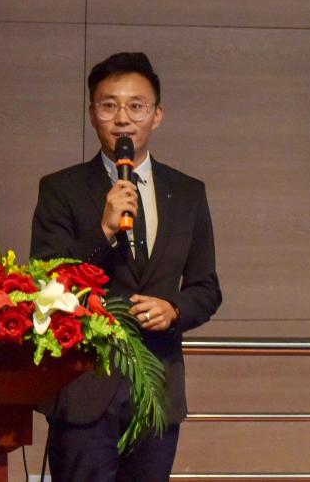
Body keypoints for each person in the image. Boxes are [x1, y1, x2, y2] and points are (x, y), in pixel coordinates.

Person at [30, 51, 222, 481]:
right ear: (92, 114)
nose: (122, 119)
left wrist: (174, 310)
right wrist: (103, 231)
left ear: (157, 115)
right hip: (83, 387)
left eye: (136, 106)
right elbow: (44, 280)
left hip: (156, 389)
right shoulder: (60, 189)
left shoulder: (188, 193)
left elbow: (207, 288)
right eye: (109, 105)